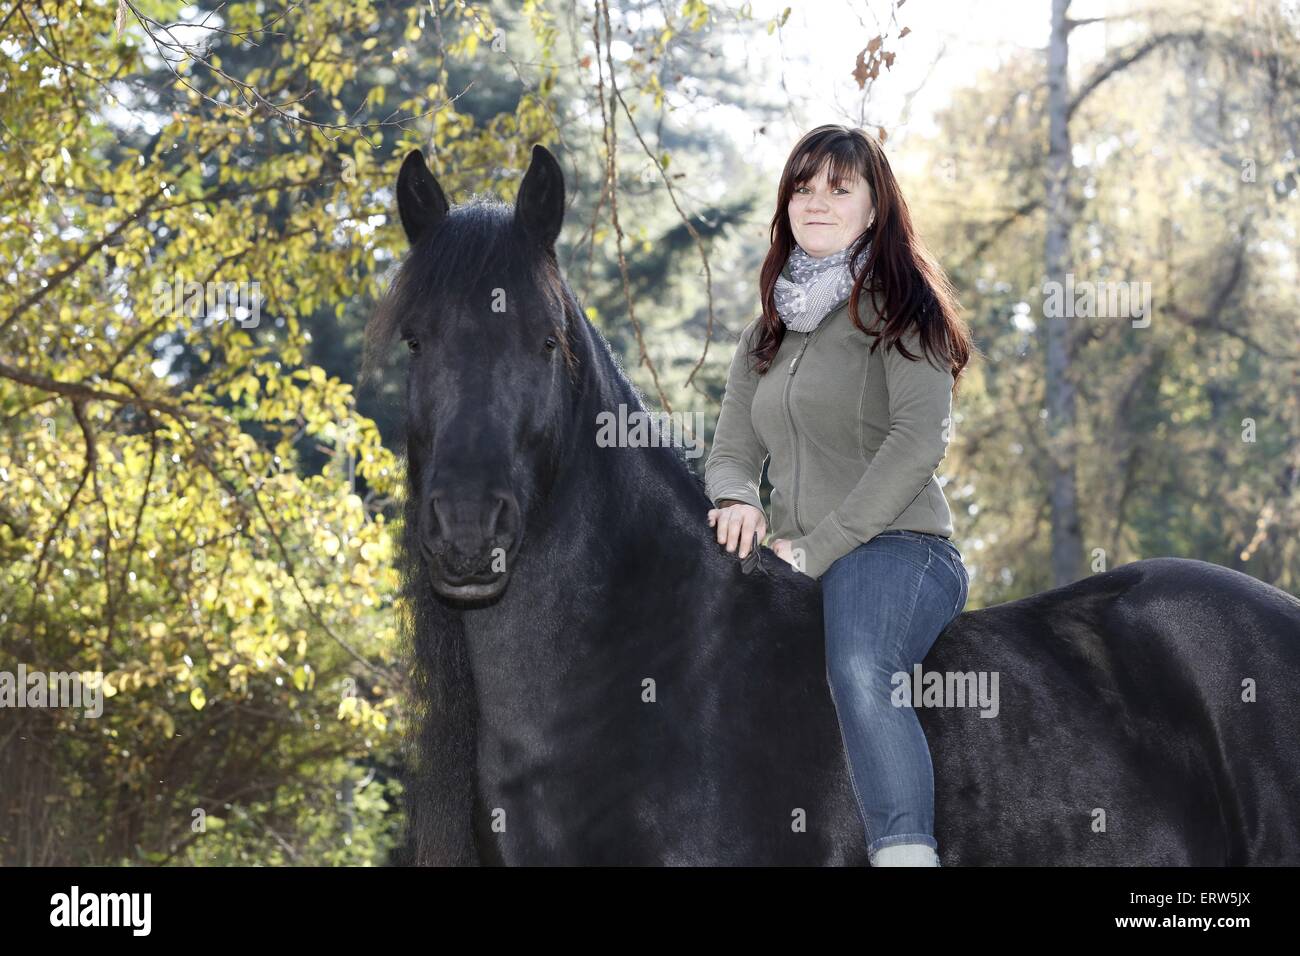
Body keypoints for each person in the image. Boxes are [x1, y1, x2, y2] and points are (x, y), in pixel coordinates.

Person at [704, 124, 974, 866]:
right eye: (803, 186)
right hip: (791, 554)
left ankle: (905, 854)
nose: (816, 201)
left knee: (859, 666)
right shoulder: (768, 331)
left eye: (839, 186)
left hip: (897, 549)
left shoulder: (901, 309)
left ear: (874, 207)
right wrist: (737, 500)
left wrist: (819, 548)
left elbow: (918, 443)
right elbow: (731, 449)